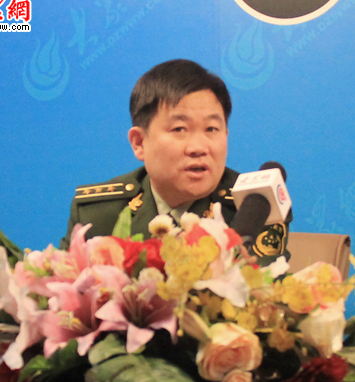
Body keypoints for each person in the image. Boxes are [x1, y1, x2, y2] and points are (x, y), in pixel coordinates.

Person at [60, 59, 291, 265]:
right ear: (139, 142)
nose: (199, 148)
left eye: (211, 129)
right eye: (180, 129)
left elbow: (263, 293)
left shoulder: (256, 206)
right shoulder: (98, 215)